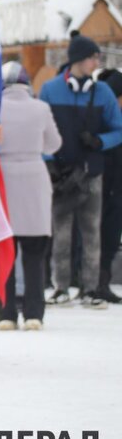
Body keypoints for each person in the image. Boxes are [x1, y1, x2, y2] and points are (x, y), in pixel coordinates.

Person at [39, 33, 122, 308]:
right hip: (61, 174)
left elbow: (118, 129)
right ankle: (61, 287)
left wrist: (100, 141)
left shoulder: (103, 92)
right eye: (92, 57)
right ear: (77, 59)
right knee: (61, 231)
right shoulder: (50, 90)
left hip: (92, 172)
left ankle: (90, 288)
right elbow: (40, 129)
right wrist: (48, 159)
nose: (96, 62)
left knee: (91, 231)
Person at [0, 62, 61, 329]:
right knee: (34, 253)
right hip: (34, 177)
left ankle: (6, 314)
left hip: (4, 179)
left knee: (6, 251)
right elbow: (55, 144)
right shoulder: (40, 108)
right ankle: (34, 314)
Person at [96, 68, 122, 299]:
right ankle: (97, 281)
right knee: (102, 232)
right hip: (105, 185)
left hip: (114, 188)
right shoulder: (104, 124)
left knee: (110, 234)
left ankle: (101, 280)